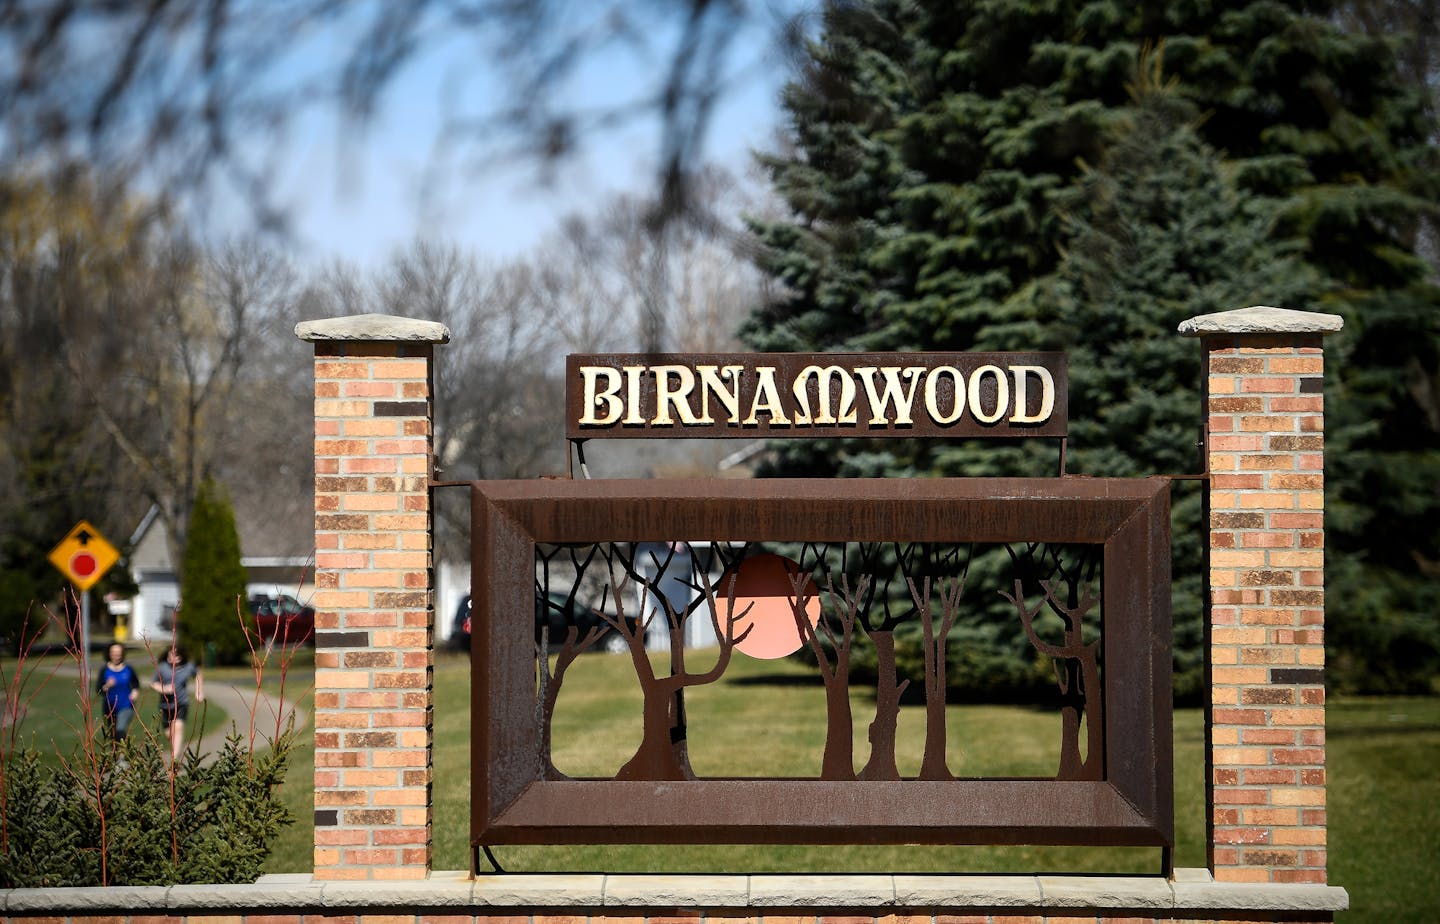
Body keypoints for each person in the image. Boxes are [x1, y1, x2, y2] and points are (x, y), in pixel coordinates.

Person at [151, 645, 204, 761]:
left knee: (178, 728)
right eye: (170, 654)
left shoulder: (188, 667)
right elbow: (154, 683)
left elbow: (198, 675)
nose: (172, 657)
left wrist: (199, 692)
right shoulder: (162, 668)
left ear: (180, 657)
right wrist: (164, 689)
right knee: (169, 734)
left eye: (175, 655)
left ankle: (175, 760)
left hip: (181, 703)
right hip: (165, 706)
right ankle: (175, 748)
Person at [96, 642, 140, 741]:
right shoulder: (104, 670)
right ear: (109, 653)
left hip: (126, 706)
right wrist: (107, 685)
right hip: (109, 708)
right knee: (112, 734)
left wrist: (135, 692)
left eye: (118, 652)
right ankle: (116, 755)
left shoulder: (128, 669)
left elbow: (136, 683)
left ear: (122, 654)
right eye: (113, 652)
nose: (116, 655)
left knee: (120, 729)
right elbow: (98, 690)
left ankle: (122, 755)